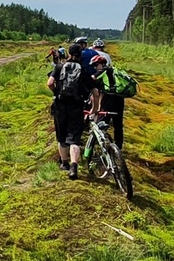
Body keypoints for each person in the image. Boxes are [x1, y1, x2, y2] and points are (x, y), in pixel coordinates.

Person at [47, 44, 89, 178]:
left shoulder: (59, 67)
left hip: (60, 107)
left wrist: (56, 92)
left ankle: (64, 163)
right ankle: (74, 167)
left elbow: (49, 83)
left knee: (62, 137)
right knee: (74, 140)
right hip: (76, 107)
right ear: (80, 55)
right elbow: (94, 91)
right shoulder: (83, 69)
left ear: (68, 54)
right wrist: (94, 108)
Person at [92, 49, 134, 151]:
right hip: (119, 98)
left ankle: (97, 145)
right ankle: (118, 147)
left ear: (101, 64)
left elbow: (92, 78)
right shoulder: (114, 70)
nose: (94, 68)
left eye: (95, 65)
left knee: (101, 121)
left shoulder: (103, 70)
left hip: (109, 98)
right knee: (118, 123)